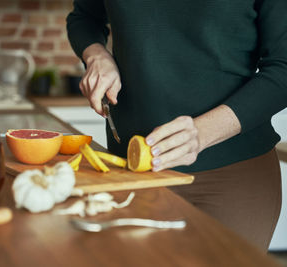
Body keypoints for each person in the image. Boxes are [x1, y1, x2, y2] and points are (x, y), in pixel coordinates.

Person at [66, 0, 287, 250]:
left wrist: (202, 132)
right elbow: (83, 17)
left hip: (233, 177)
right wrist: (97, 55)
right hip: (131, 174)